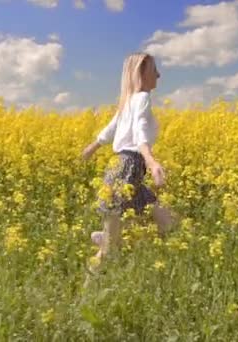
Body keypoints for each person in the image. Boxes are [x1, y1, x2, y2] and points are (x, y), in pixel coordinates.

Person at [81, 52, 178, 271]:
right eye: (155, 71)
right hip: (129, 167)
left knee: (168, 222)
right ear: (141, 74)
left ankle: (115, 239)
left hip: (122, 167)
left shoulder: (128, 102)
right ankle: (87, 289)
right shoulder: (141, 98)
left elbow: (110, 130)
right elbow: (139, 131)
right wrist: (151, 161)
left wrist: (91, 148)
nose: (159, 75)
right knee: (106, 251)